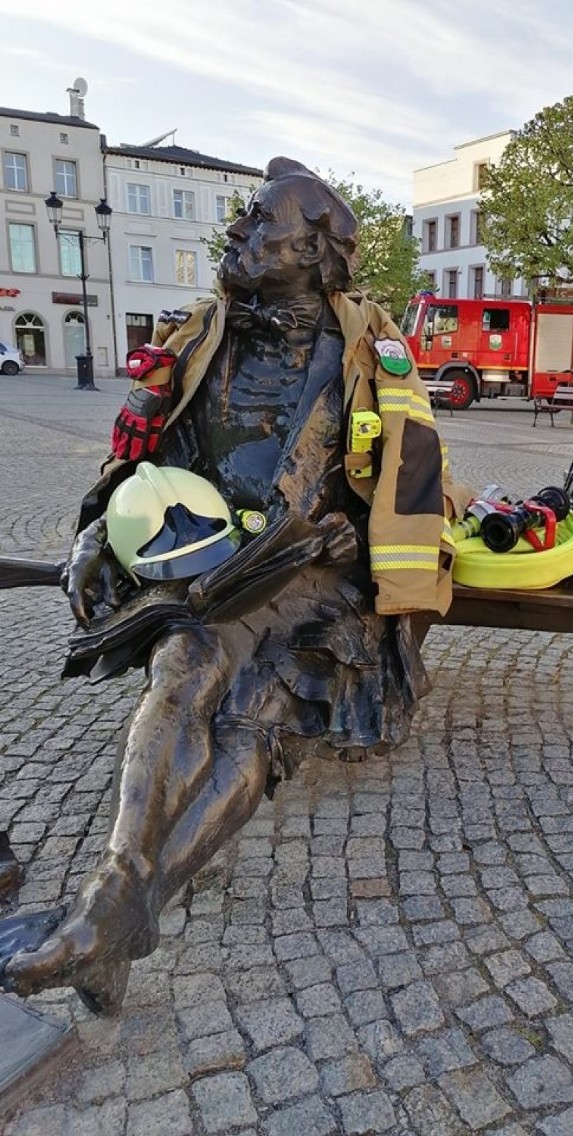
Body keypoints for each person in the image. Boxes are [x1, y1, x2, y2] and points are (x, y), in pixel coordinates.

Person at [0, 158, 460, 1014]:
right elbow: (154, 454)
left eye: (259, 220)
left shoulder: (364, 355)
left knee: (251, 718)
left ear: (316, 252)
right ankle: (115, 908)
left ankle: (108, 919)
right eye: (245, 219)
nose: (239, 232)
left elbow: (410, 482)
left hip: (317, 570)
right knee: (183, 671)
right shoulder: (206, 336)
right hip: (211, 561)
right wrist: (104, 529)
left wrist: (375, 568)